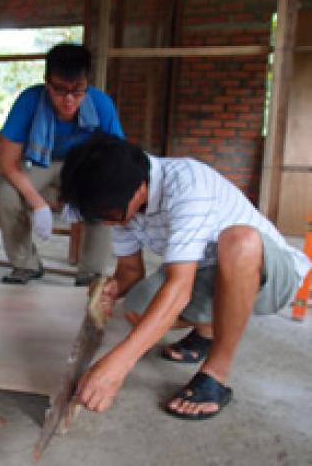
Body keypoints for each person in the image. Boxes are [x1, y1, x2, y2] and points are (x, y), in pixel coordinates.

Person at [59, 134, 311, 420]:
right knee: (137, 309)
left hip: (271, 277)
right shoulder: (118, 204)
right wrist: (114, 289)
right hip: (207, 270)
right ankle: (207, 331)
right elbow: (130, 272)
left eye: (109, 216)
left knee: (239, 242)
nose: (107, 222)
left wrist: (116, 366)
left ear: (140, 189)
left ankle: (216, 373)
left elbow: (180, 288)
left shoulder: (187, 185)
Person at [0, 43, 124, 286]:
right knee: (5, 193)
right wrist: (39, 204)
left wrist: (86, 192)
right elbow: (9, 163)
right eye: (60, 90)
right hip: (39, 163)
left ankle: (92, 272)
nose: (69, 100)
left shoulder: (101, 104)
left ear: (87, 83)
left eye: (78, 91)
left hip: (84, 166)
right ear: (46, 82)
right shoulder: (29, 101)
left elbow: (115, 158)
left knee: (109, 192)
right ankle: (26, 264)